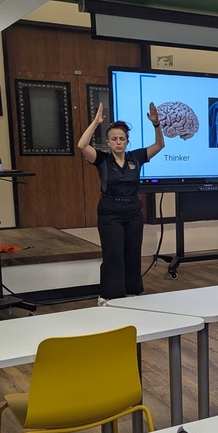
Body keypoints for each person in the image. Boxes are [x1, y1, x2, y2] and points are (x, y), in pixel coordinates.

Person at [78, 102, 165, 303]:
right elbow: (82, 145)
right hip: (110, 214)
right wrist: (95, 123)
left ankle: (132, 292)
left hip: (133, 213)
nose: (118, 142)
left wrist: (156, 124)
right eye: (114, 139)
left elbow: (160, 145)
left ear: (127, 141)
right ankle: (109, 295)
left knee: (133, 253)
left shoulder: (136, 157)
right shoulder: (102, 160)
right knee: (113, 254)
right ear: (108, 142)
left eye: (122, 139)